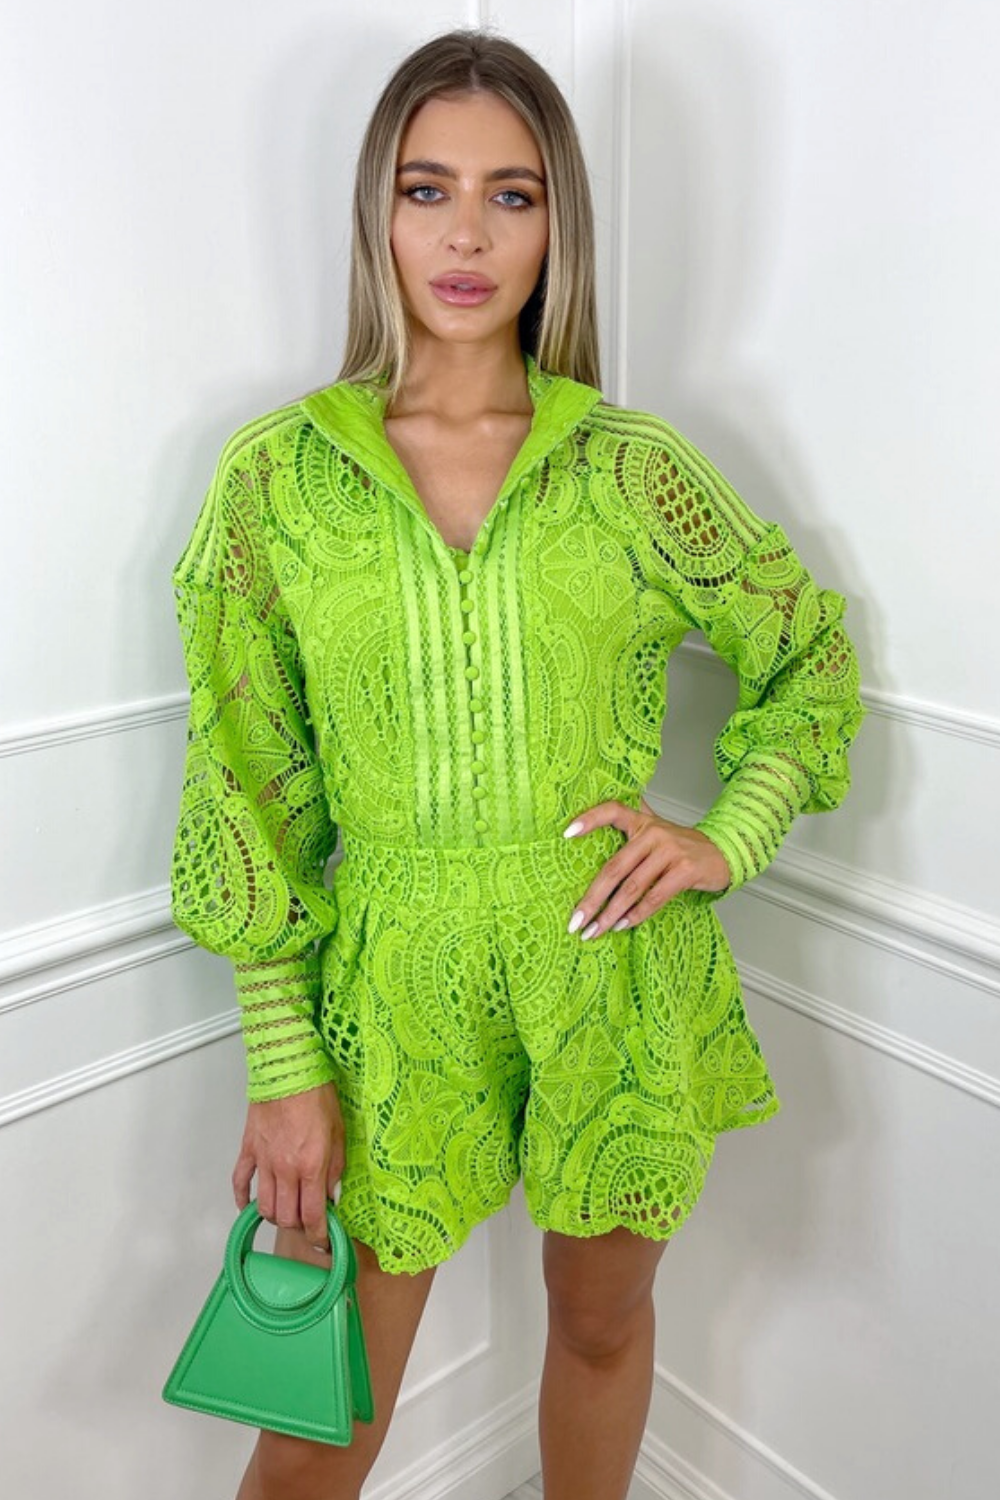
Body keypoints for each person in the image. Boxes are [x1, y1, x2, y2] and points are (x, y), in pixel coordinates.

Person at [168, 26, 866, 1500]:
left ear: (560, 227)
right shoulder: (277, 480)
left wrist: (725, 834)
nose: (468, 237)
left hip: (609, 968)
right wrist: (284, 1063)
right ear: (377, 212)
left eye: (514, 194)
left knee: (600, 1326)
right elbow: (242, 783)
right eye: (427, 190)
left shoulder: (631, 469)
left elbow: (807, 650)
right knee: (319, 1416)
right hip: (390, 981)